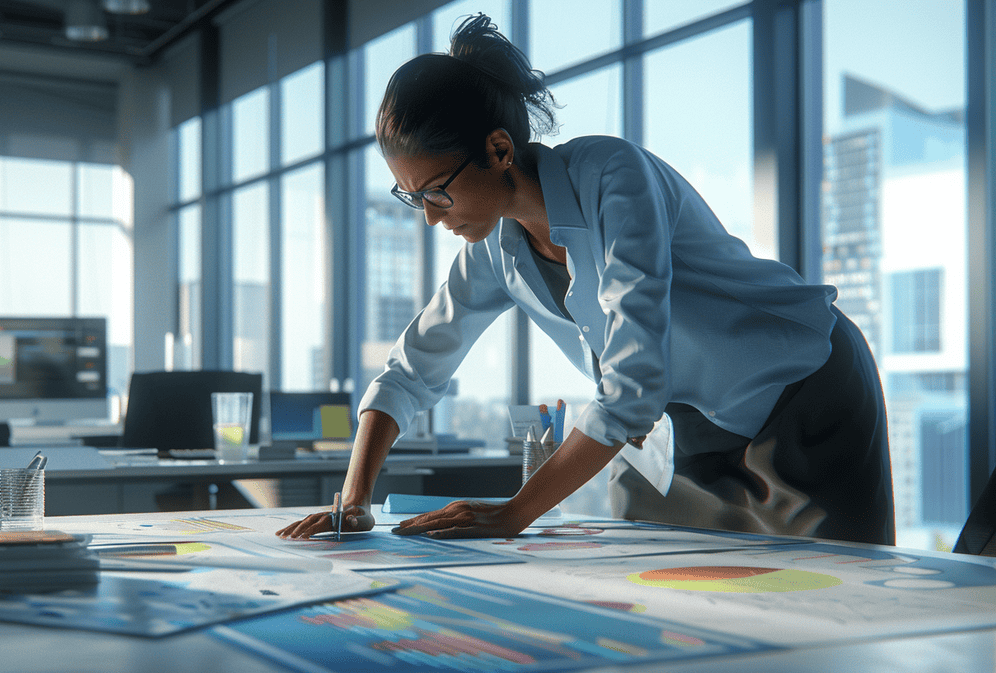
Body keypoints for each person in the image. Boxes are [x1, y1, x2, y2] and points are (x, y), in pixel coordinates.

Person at [277, 14, 895, 546]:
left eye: (437, 191)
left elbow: (631, 386)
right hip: (689, 429)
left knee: (842, 606)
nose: (433, 216)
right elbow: (411, 371)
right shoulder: (494, 246)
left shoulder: (612, 178)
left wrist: (513, 514)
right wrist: (352, 501)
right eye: (414, 199)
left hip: (800, 388)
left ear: (498, 150)